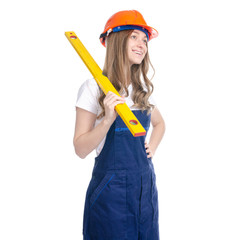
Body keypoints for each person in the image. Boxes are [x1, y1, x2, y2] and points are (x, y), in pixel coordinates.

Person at [73, 9, 165, 240]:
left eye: (145, 39)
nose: (141, 44)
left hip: (144, 190)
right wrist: (107, 121)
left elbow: (160, 123)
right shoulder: (93, 88)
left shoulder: (142, 89)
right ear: (116, 39)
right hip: (111, 195)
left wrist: (152, 146)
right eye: (134, 36)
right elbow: (80, 149)